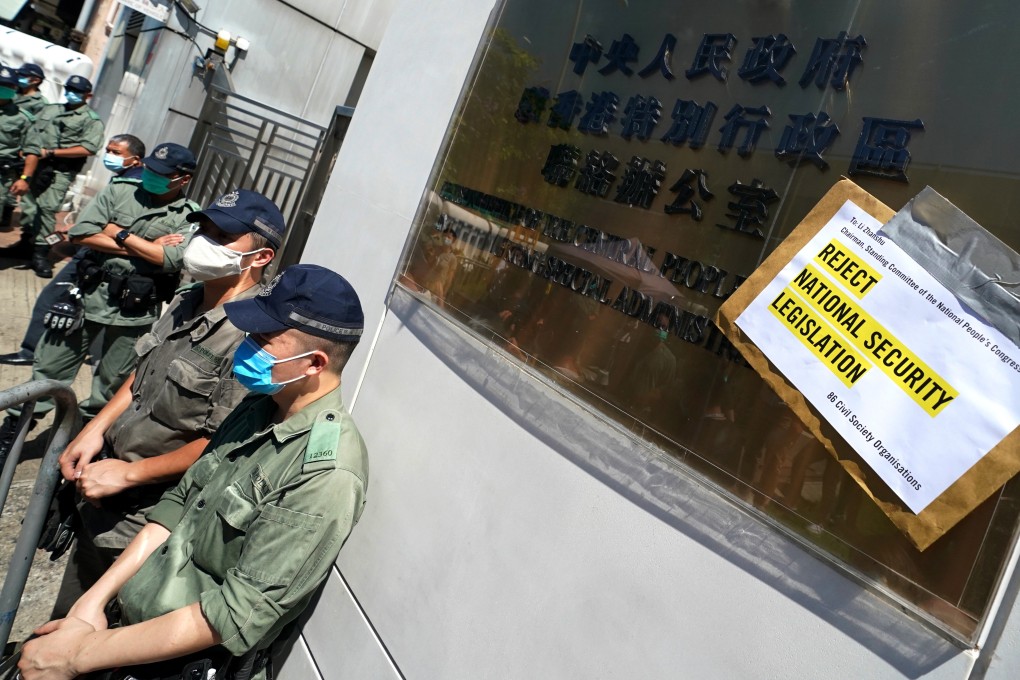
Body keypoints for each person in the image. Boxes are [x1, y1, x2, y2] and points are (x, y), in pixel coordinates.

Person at [19, 264, 369, 680]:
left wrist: (78, 656)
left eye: (263, 340)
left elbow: (235, 613)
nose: (247, 346)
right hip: (128, 631)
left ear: (313, 363)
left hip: (178, 663)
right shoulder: (259, 407)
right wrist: (92, 603)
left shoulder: (326, 474)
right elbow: (178, 506)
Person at [49, 189, 284, 618]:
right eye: (204, 230)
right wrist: (93, 429)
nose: (203, 242)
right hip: (102, 486)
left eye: (223, 236)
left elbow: (223, 442)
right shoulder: (187, 297)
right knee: (66, 617)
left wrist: (128, 474)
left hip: (149, 514)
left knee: (106, 629)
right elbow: (143, 371)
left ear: (261, 257)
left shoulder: (254, 335)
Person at [0, 142, 199, 462]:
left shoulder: (189, 215)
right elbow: (81, 233)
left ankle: (80, 444)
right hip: (87, 296)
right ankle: (12, 435)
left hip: (134, 310)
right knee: (49, 369)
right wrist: (147, 246)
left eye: (161, 174)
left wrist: (118, 233)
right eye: (149, 169)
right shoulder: (120, 191)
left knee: (112, 384)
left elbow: (171, 259)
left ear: (183, 179)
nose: (151, 176)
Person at [0, 134, 146, 367]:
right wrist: (78, 226)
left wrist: (85, 231)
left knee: (52, 298)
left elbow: (120, 225)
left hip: (97, 253)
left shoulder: (134, 185)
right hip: (95, 249)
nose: (109, 156)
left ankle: (31, 352)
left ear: (135, 159)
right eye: (108, 150)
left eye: (116, 153)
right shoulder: (124, 178)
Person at [11, 74, 105, 277]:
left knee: (47, 209)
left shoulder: (91, 120)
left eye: (77, 91)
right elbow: (33, 131)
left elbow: (89, 148)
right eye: (69, 89)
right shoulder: (51, 109)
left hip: (60, 171)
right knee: (30, 207)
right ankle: (25, 244)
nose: (72, 93)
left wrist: (52, 152)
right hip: (37, 167)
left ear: (88, 95)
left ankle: (41, 253)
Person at [0, 65, 38, 235]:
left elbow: (32, 151)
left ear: (15, 88)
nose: (4, 88)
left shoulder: (23, 118)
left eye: (8, 85)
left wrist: (24, 179)